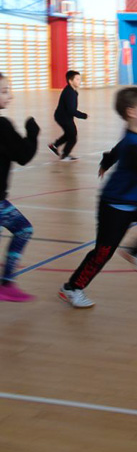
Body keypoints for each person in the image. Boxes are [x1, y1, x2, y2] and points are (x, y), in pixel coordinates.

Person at [58, 87, 137, 309]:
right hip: (115, 205)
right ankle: (72, 288)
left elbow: (118, 149)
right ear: (131, 112)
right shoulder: (135, 144)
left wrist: (107, 161)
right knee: (102, 253)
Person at [0, 73, 38, 302]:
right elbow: (24, 155)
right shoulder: (2, 126)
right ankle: (6, 284)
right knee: (23, 230)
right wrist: (32, 133)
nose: (10, 96)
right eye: (4, 91)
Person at [48, 70, 87, 161]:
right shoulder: (70, 93)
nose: (79, 81)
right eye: (77, 79)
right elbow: (71, 110)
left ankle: (54, 145)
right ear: (70, 81)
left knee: (69, 134)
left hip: (62, 116)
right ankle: (65, 155)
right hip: (63, 118)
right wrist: (83, 115)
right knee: (73, 137)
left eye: (79, 79)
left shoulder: (71, 90)